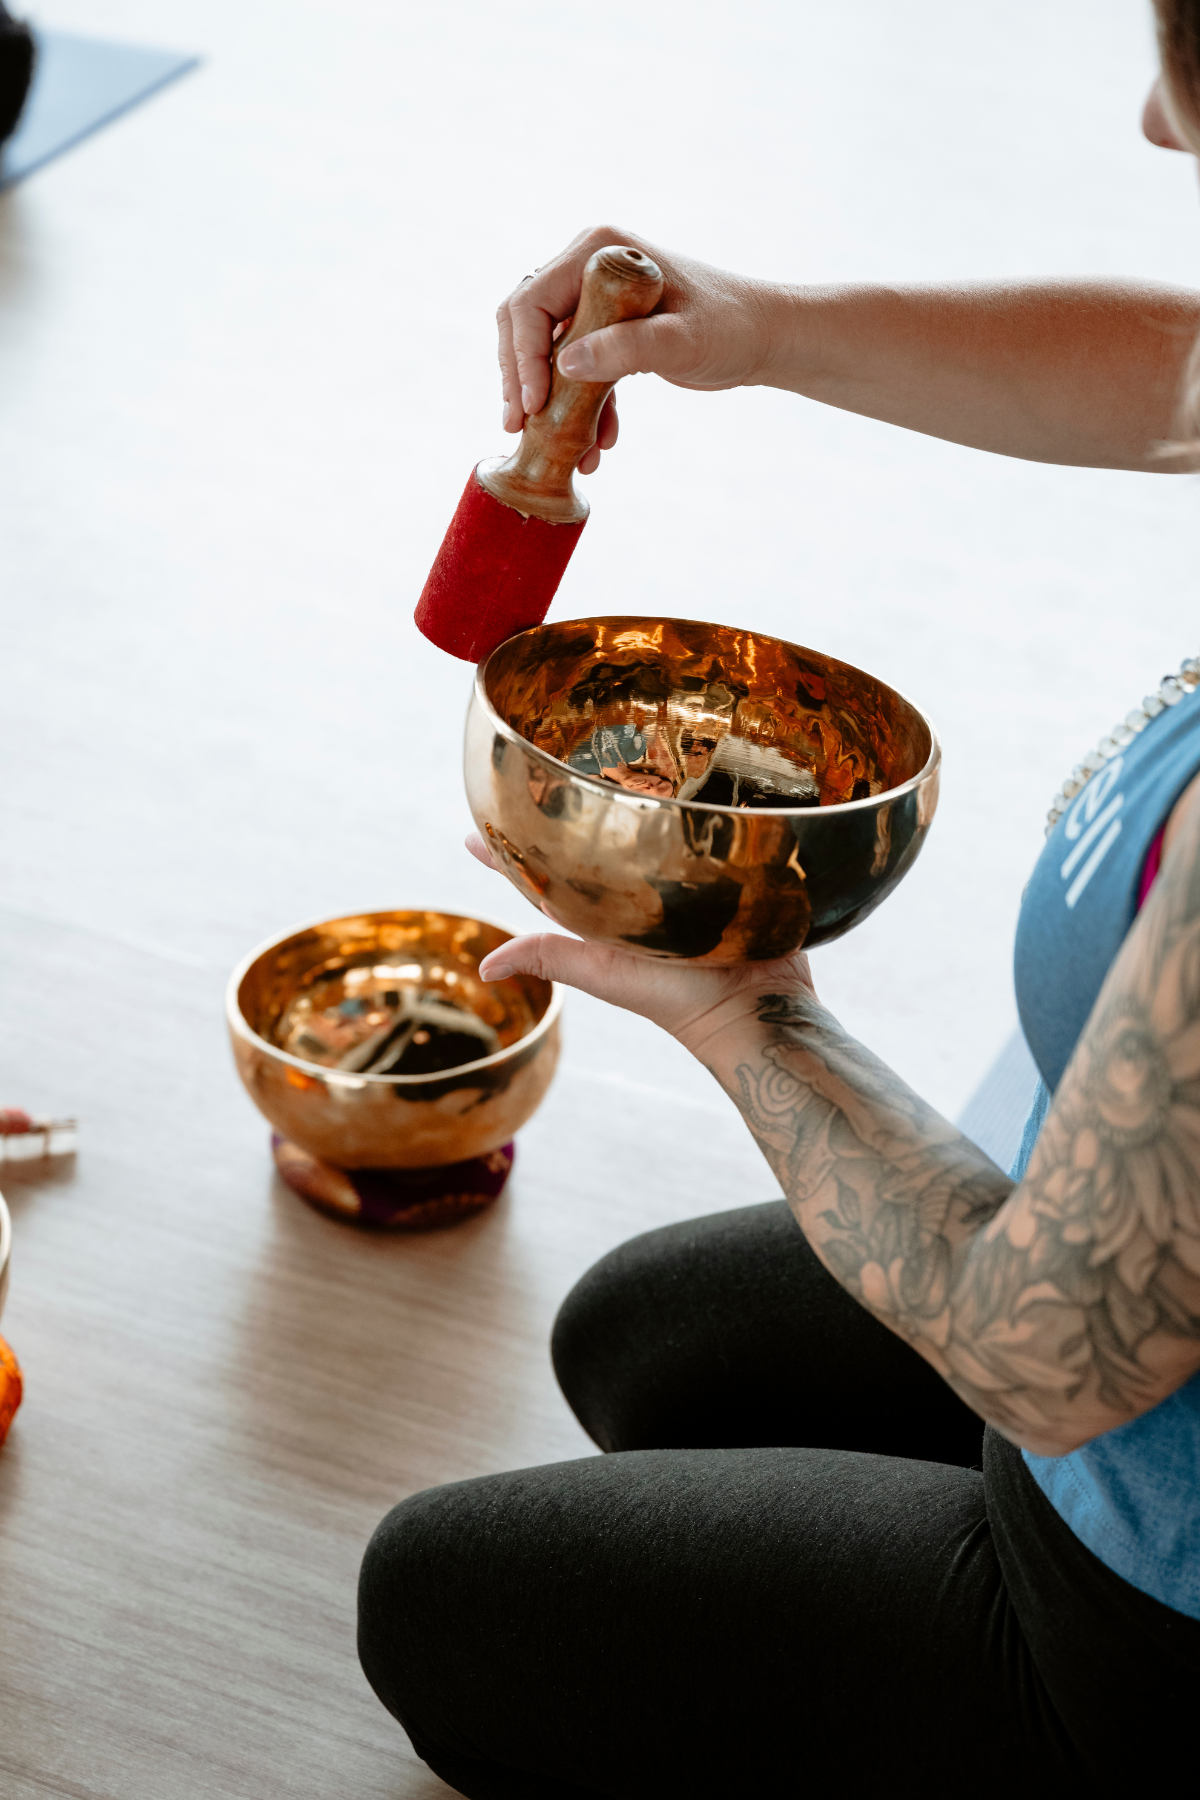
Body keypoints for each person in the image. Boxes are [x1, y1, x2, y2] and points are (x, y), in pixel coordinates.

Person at [358, 10, 1200, 1792]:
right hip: (1139, 1322)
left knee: (432, 1602)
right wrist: (750, 329)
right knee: (639, 1346)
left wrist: (752, 1012)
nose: (1151, 123)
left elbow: (1050, 1363)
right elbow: (1182, 373)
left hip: (1147, 1625)